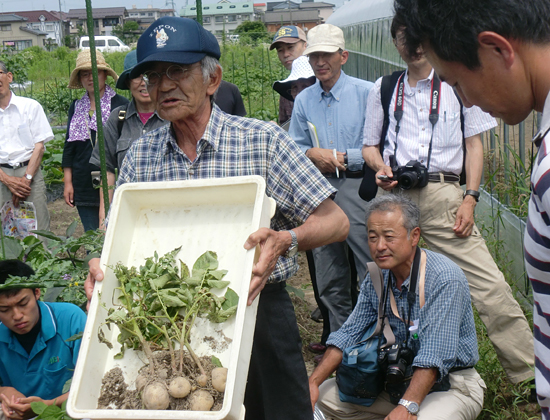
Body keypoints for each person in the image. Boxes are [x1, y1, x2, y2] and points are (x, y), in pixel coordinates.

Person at [85, 16, 349, 420]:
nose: (164, 85)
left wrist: (285, 239)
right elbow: (115, 239)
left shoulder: (261, 141)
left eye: (177, 71)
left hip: (258, 311)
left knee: (278, 412)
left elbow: (335, 222)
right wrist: (99, 266)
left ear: (213, 80)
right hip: (174, 325)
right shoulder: (141, 156)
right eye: (153, 76)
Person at [362, 12, 535, 389]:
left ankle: (528, 377)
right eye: (403, 38)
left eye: (417, 37)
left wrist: (470, 198)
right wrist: (380, 167)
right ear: (396, 43)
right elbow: (369, 145)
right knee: (385, 285)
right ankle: (384, 369)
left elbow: (475, 145)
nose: (413, 46)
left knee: (488, 285)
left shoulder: (458, 83)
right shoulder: (385, 87)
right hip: (393, 197)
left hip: (444, 196)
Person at [310, 194, 485, 420]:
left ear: (414, 236)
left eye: (389, 237)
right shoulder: (377, 276)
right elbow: (348, 334)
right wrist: (312, 382)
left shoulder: (443, 278)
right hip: (399, 382)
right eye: (372, 237)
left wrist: (407, 406)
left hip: (451, 385)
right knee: (322, 396)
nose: (380, 246)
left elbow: (433, 357)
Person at [289, 23, 373, 351]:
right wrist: (312, 153)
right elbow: (294, 146)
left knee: (370, 266)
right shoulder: (305, 100)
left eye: (326, 54)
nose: (320, 61)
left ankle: (375, 340)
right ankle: (343, 345)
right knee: (329, 273)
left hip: (357, 188)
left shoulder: (367, 93)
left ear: (343, 56)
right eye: (314, 56)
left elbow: (380, 145)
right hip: (319, 192)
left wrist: (342, 157)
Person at [0, 260, 86, 420]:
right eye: (4, 309)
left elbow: (93, 383)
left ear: (37, 292)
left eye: (23, 303)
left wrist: (45, 406)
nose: (17, 315)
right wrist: (4, 392)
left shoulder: (71, 319)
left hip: (71, 413)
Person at [90, 50, 167, 229]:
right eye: (137, 77)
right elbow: (107, 171)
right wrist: (104, 220)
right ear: (128, 82)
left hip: (166, 209)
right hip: (130, 211)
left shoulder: (172, 117)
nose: (144, 83)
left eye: (149, 76)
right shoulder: (118, 119)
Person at [62, 50, 128, 232]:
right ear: (80, 79)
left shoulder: (121, 105)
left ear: (105, 74)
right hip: (83, 180)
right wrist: (68, 182)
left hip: (113, 179)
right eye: (85, 74)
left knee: (115, 231)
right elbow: (69, 147)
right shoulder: (76, 107)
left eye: (95, 72)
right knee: (92, 235)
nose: (90, 78)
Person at [0, 61, 52, 232]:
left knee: (39, 229)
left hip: (30, 174)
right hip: (1, 176)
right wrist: (7, 180)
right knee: (6, 234)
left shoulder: (30, 106)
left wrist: (26, 180)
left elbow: (39, 146)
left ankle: (42, 259)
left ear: (9, 77)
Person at [269, 25, 308, 125]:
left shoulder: (321, 79)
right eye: (280, 50)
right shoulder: (286, 89)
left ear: (305, 45)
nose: (285, 54)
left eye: (290, 47)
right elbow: (285, 124)